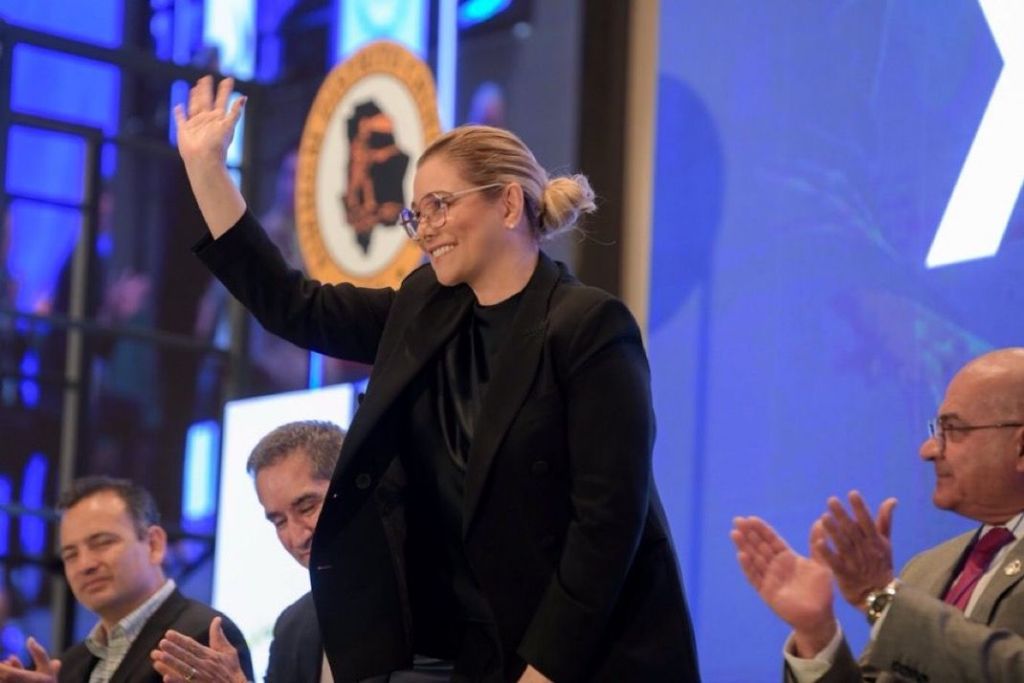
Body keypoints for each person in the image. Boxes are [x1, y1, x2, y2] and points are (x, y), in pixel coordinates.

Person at [175, 75, 700, 683]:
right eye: (416, 214)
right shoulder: (424, 305)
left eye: (440, 206)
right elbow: (295, 307)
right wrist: (207, 171)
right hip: (480, 652)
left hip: (594, 656)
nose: (425, 229)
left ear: (508, 204)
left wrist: (544, 670)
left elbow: (607, 525)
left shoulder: (587, 326)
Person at [731, 347, 1024, 682]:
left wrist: (883, 597)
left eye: (954, 429)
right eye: (937, 430)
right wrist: (816, 633)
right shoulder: (926, 570)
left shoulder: (894, 594)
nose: (928, 450)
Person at [0, 476, 254, 682]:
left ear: (154, 544)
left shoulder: (200, 637)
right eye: (70, 554)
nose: (85, 564)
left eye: (102, 543)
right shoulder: (70, 665)